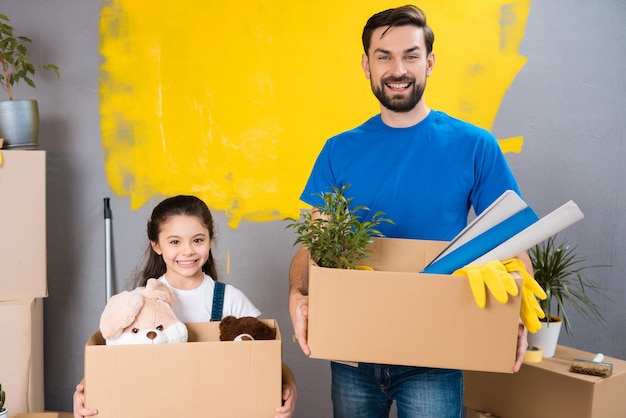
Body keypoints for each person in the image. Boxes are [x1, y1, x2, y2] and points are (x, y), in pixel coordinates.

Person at [288, 5, 531, 418]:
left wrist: (519, 314)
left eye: (411, 55)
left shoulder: (474, 145)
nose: (397, 68)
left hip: (435, 351)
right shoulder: (339, 150)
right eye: (384, 56)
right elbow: (314, 244)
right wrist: (297, 292)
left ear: (430, 62)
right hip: (354, 351)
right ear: (366, 65)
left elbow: (512, 237)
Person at [74, 195, 297, 418]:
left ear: (210, 240)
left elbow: (267, 357)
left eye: (197, 240)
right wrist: (86, 390)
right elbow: (111, 359)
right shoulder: (138, 303)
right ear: (156, 245)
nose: (188, 251)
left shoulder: (230, 300)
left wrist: (290, 386)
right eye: (175, 242)